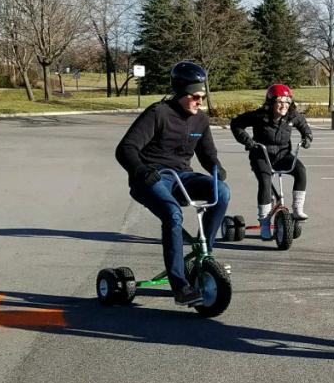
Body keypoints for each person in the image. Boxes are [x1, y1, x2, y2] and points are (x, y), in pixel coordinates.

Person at [115, 61, 231, 306]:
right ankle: (179, 285)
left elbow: (208, 155)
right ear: (181, 93)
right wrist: (141, 170)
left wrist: (216, 168)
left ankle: (204, 255)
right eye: (195, 97)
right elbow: (125, 149)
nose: (200, 102)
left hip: (182, 177)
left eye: (203, 97)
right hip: (151, 179)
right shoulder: (158, 113)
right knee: (172, 213)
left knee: (221, 191)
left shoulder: (200, 120)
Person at [230, 84, 313, 239]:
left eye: (287, 102)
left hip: (282, 155)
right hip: (261, 155)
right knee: (265, 182)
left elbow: (304, 127)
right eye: (280, 101)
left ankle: (297, 209)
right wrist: (247, 140)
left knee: (301, 170)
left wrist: (307, 138)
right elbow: (236, 124)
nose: (284, 105)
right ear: (271, 102)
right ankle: (265, 224)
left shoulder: (292, 116)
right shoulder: (259, 116)